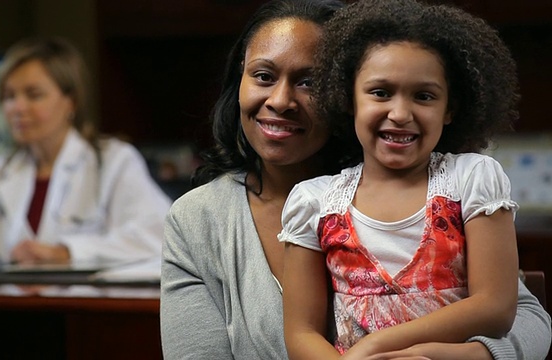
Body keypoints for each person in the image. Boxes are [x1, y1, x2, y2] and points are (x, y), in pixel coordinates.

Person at [160, 0, 551, 359]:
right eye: (263, 76)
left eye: (308, 82)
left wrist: (467, 357)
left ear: (335, 92)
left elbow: (520, 319)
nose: (280, 100)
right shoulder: (200, 219)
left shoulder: (453, 185)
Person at [279, 0, 543, 358]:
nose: (400, 113)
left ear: (450, 109)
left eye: (424, 96)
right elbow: (301, 334)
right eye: (380, 92)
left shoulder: (472, 179)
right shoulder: (313, 202)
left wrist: (376, 345)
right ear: (347, 99)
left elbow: (495, 308)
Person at [0, 37, 171, 265]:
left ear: (71, 101)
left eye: (33, 94)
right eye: (9, 96)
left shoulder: (113, 161)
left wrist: (66, 252)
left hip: (81, 299)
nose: (17, 108)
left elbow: (158, 236)